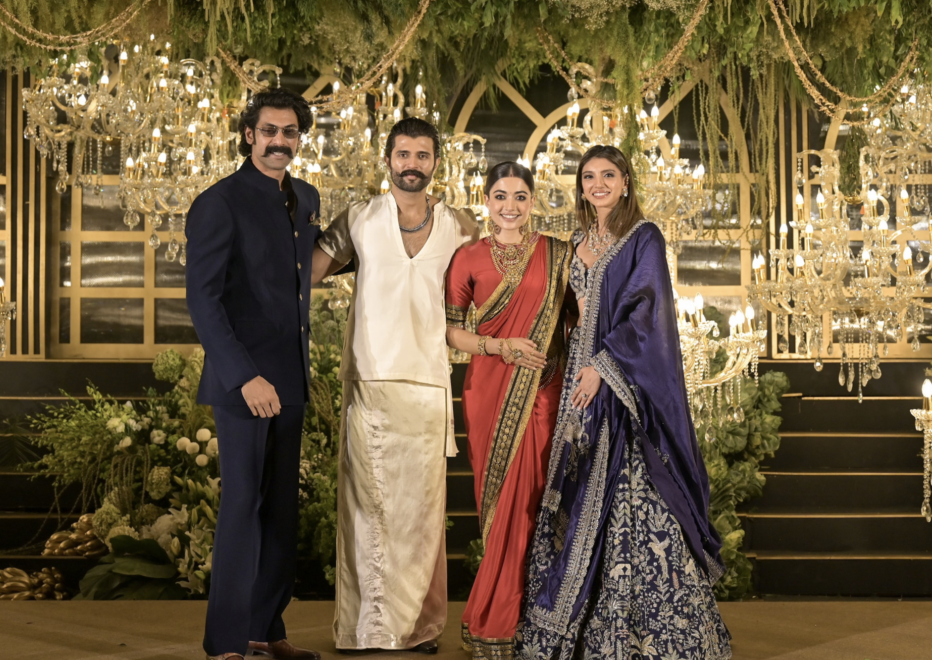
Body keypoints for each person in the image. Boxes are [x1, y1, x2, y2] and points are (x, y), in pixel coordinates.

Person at [519, 145, 731, 660]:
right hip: (578, 384)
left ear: (626, 181)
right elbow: (566, 313)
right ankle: (573, 628)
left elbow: (646, 313)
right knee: (578, 493)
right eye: (589, 177)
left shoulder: (643, 237)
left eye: (608, 175)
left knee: (631, 496)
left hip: (622, 388)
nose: (598, 185)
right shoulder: (575, 242)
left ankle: (645, 637)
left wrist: (602, 367)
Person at [312, 116, 480, 653]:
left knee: (420, 514)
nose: (412, 164)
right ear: (387, 160)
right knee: (367, 510)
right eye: (403, 154)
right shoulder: (359, 219)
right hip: (370, 381)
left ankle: (417, 629)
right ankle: (366, 629)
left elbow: (496, 281)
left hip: (428, 383)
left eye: (422, 155)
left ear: (436, 163)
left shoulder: (461, 226)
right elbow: (304, 274)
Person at [186, 88, 322, 660]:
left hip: (291, 378)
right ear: (249, 135)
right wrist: (245, 377)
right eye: (269, 131)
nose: (279, 142)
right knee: (242, 506)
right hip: (244, 383)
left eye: (289, 132)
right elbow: (203, 301)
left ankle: (265, 630)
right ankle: (225, 642)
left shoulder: (307, 197)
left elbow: (301, 275)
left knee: (281, 510)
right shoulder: (218, 202)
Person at [444, 162, 572, 660]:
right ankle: (496, 619)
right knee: (501, 508)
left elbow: (578, 320)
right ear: (486, 200)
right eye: (500, 196)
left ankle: (531, 619)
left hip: (545, 388)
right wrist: (501, 347)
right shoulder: (467, 257)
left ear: (533, 201)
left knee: (537, 500)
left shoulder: (558, 253)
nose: (510, 206)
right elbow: (452, 331)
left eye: (520, 196)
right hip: (490, 389)